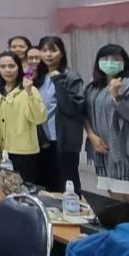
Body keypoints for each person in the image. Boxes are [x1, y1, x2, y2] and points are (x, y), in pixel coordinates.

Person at [84, 45, 129, 219]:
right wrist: (91, 136)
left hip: (128, 151)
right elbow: (84, 113)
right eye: (105, 59)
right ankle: (127, 231)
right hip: (103, 150)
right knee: (114, 193)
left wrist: (116, 97)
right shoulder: (93, 87)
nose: (110, 63)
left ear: (125, 62)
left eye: (115, 59)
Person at [32, 36, 85, 192]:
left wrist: (57, 81)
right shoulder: (36, 76)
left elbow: (72, 108)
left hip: (64, 139)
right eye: (44, 50)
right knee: (47, 182)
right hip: (42, 140)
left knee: (68, 183)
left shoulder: (71, 76)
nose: (48, 54)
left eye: (53, 50)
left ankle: (75, 215)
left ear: (61, 53)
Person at [0, 51, 47, 184]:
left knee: (22, 190)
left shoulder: (29, 89)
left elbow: (39, 118)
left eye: (11, 66)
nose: (7, 70)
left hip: (23, 151)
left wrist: (30, 93)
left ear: (18, 67)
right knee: (1, 188)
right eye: (3, 66)